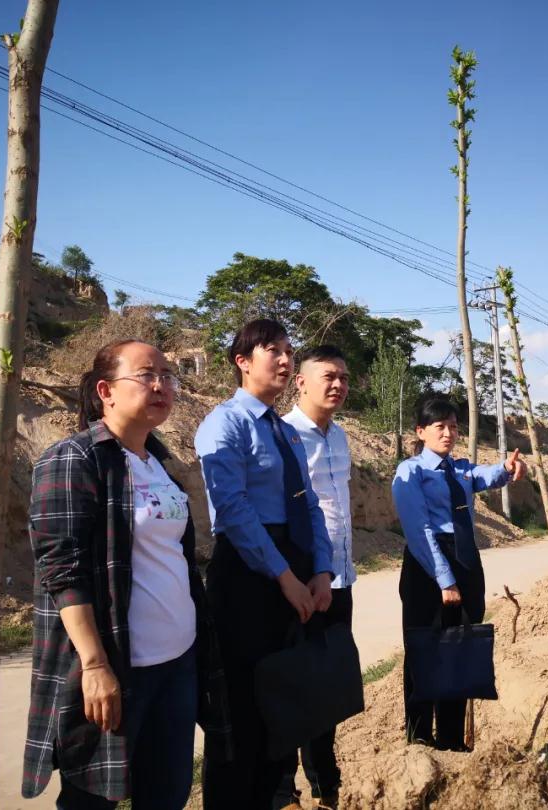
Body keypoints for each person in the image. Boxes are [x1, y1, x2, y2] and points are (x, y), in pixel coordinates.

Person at [22, 339, 224, 809]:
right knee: (92, 798)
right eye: (146, 375)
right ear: (105, 390)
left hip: (177, 662)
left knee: (167, 795)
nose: (161, 386)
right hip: (118, 665)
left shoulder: (159, 463)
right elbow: (61, 569)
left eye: (167, 376)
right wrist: (95, 665)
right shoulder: (75, 458)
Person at [194, 319, 335, 810]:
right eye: (273, 350)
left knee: (281, 711)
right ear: (242, 361)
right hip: (248, 577)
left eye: (288, 351)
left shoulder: (285, 431)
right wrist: (284, 577)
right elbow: (233, 511)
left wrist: (321, 570)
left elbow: (309, 503)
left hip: (292, 570)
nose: (285, 360)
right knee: (241, 716)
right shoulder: (225, 424)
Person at [391, 396, 527, 752]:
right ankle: (420, 739)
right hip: (427, 566)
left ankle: (451, 741)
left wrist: (507, 468)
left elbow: (484, 475)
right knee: (424, 651)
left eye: (453, 426)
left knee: (460, 651)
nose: (448, 433)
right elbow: (419, 530)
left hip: (465, 560)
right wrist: (445, 579)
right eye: (440, 426)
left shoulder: (460, 470)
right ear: (421, 432)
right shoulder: (410, 472)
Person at [279, 345, 355, 809]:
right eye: (328, 376)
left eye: (344, 377)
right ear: (301, 382)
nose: (338, 385)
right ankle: (284, 790)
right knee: (293, 687)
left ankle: (327, 788)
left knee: (328, 688)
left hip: (341, 579)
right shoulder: (284, 436)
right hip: (303, 583)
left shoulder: (341, 436)